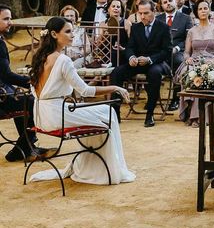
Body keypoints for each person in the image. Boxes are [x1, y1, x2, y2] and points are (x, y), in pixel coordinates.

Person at [27, 17, 134, 185]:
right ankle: (106, 170)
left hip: (41, 115)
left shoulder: (40, 57)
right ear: (54, 34)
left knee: (99, 113)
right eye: (68, 32)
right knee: (108, 111)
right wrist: (115, 88)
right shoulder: (63, 60)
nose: (72, 35)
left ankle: (92, 166)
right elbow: (86, 91)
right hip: (57, 116)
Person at [110, 0, 172, 128]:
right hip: (138, 62)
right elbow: (130, 47)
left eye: (146, 13)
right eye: (140, 13)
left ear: (154, 11)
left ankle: (150, 114)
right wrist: (131, 57)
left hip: (156, 63)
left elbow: (167, 51)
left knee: (154, 73)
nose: (143, 16)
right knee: (116, 72)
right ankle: (115, 112)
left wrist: (150, 59)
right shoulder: (136, 27)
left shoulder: (163, 27)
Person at [0, 4, 49, 162]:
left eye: (10, 18)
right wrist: (31, 82)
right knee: (32, 102)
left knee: (22, 99)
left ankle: (26, 147)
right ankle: (23, 148)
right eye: (6, 19)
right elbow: (6, 75)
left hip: (4, 91)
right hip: (1, 96)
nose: (10, 22)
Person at [176, 0, 214, 126]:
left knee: (208, 74)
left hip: (212, 61)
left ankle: (203, 117)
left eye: (205, 8)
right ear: (196, 12)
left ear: (209, 10)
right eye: (200, 9)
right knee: (189, 73)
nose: (203, 11)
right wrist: (187, 59)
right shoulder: (191, 31)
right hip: (195, 61)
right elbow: (186, 52)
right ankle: (192, 115)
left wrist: (213, 61)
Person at [156, 0, 193, 110]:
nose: (168, 4)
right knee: (151, 64)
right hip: (161, 52)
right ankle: (153, 97)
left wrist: (176, 48)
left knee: (178, 61)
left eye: (170, 1)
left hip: (178, 51)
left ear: (175, 2)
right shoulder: (157, 19)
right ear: (161, 5)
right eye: (165, 2)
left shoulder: (186, 18)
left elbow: (188, 38)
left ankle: (175, 99)